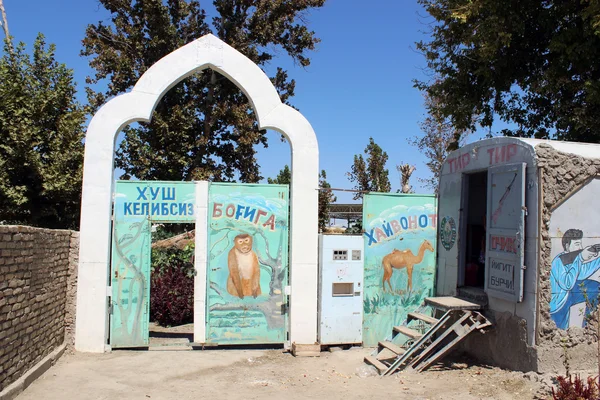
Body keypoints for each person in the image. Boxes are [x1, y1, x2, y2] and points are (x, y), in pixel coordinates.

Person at [549, 229, 600, 330]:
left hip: (568, 295)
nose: (580, 248)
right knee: (559, 331)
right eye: (577, 244)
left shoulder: (572, 260)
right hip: (558, 303)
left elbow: (583, 272)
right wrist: (580, 258)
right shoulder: (558, 261)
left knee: (596, 288)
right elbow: (567, 283)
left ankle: (588, 326)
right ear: (567, 246)